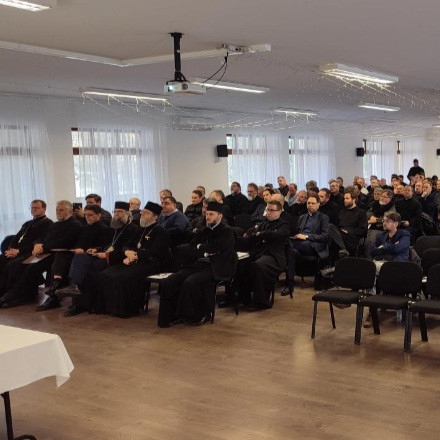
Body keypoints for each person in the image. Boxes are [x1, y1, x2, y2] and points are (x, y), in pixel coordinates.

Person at [157, 201, 236, 328]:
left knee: (191, 282)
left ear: (220, 216)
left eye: (211, 214)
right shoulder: (203, 231)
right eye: (207, 214)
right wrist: (204, 249)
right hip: (199, 264)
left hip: (217, 266)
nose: (208, 217)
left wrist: (202, 248)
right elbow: (193, 247)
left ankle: (199, 315)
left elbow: (216, 248)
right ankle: (171, 316)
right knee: (171, 280)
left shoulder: (227, 231)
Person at [61, 201, 140, 316]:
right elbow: (108, 245)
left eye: (120, 212)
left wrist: (107, 255)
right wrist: (97, 250)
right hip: (107, 256)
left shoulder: (133, 229)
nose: (117, 214)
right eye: (115, 211)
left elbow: (127, 250)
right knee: (83, 262)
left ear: (128, 214)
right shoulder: (115, 227)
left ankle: (88, 304)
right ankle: (79, 299)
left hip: (119, 259)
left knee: (94, 268)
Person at [0, 201, 83, 308]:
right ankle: (12, 294)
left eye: (61, 210)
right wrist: (37, 244)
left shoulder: (75, 224)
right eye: (57, 210)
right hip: (46, 253)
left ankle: (15, 296)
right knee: (24, 265)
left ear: (70, 211)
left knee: (27, 266)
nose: (58, 212)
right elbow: (43, 238)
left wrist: (42, 247)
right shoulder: (56, 224)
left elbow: (63, 242)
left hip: (61, 255)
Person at [98, 202, 171, 318]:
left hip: (151, 262)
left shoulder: (161, 232)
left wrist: (135, 255)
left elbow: (155, 251)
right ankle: (110, 308)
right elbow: (127, 245)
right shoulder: (139, 230)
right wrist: (127, 252)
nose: (142, 215)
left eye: (146, 213)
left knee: (125, 277)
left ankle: (127, 309)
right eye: (143, 212)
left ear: (155, 217)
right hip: (133, 260)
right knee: (106, 273)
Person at [235, 200, 290, 309]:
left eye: (272, 210)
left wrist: (259, 234)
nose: (268, 212)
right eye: (267, 210)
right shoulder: (263, 223)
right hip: (259, 254)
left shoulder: (284, 225)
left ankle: (261, 301)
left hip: (274, 258)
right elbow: (252, 236)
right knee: (241, 263)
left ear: (279, 212)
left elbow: (274, 235)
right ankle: (244, 298)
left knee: (258, 266)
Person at [0, 200, 53, 295]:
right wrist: (10, 250)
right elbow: (16, 238)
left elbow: (41, 242)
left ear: (44, 209)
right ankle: (2, 291)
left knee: (13, 265)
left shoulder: (48, 224)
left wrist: (18, 251)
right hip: (18, 252)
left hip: (32, 253)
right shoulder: (27, 223)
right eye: (32, 207)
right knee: (1, 260)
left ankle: (14, 294)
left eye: (36, 208)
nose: (34, 209)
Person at [290, 195, 329, 290]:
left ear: (318, 205)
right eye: (308, 203)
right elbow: (297, 232)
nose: (310, 205)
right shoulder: (302, 217)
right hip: (300, 244)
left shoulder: (323, 217)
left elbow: (324, 237)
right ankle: (289, 283)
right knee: (291, 251)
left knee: (287, 244)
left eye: (313, 203)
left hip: (314, 245)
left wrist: (307, 236)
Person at [328, 189, 368, 259]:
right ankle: (342, 249)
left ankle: (342, 249)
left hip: (351, 237)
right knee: (329, 228)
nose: (344, 200)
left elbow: (363, 230)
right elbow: (336, 225)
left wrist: (348, 231)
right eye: (344, 198)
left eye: (347, 198)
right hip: (340, 235)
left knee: (331, 229)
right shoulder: (342, 211)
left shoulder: (361, 213)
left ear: (354, 199)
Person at [364, 189, 395, 259]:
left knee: (370, 242)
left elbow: (389, 218)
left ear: (389, 198)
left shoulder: (392, 207)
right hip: (371, 226)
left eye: (384, 197)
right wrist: (371, 217)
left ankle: (370, 260)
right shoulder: (375, 204)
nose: (382, 198)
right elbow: (367, 213)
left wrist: (377, 220)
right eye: (381, 196)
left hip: (382, 228)